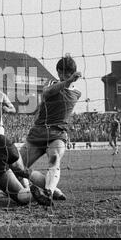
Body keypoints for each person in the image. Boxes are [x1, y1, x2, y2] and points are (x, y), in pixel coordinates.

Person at [19, 54, 82, 205]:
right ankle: (50, 190)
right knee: (17, 167)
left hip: (57, 134)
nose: (63, 75)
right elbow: (47, 93)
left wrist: (68, 82)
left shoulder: (77, 93)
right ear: (58, 72)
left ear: (72, 72)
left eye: (67, 73)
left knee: (54, 159)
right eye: (61, 72)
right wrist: (67, 81)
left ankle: (48, 192)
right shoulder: (52, 83)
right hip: (38, 132)